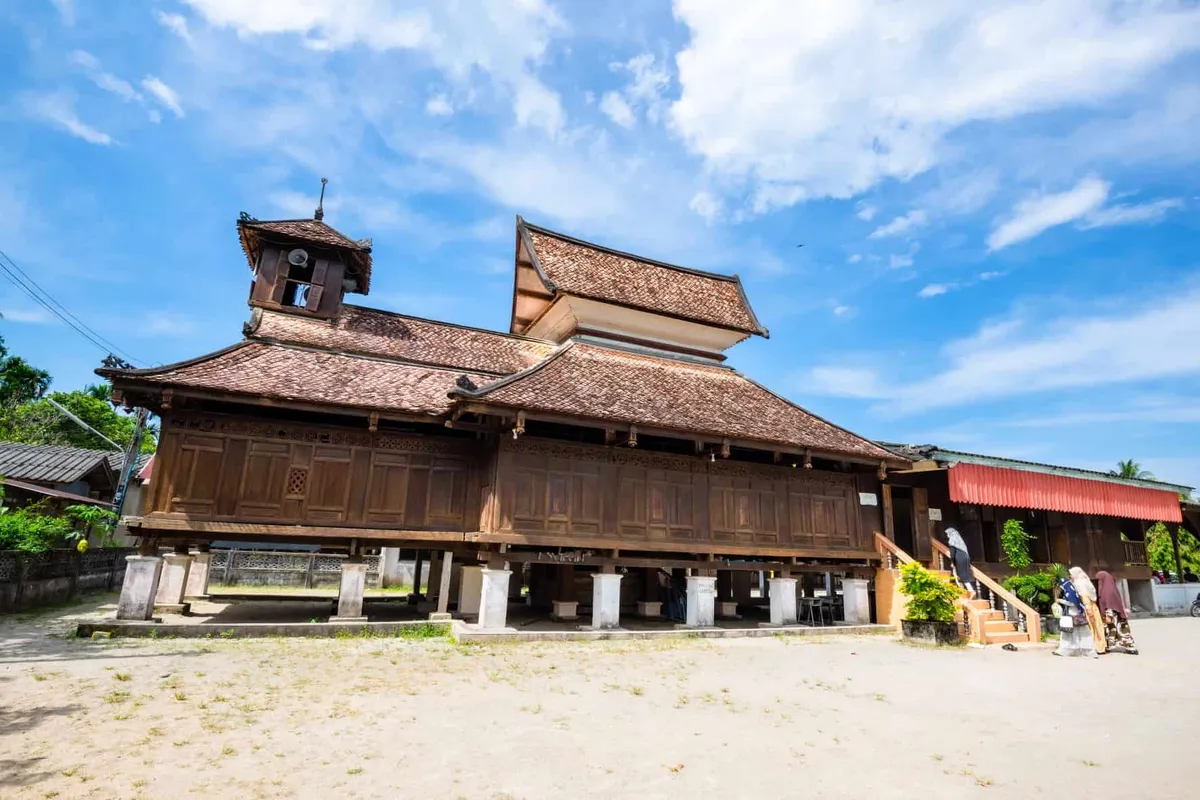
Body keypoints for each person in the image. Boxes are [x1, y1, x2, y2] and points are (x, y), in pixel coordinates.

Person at [1095, 570, 1138, 654]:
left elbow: (1109, 603)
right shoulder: (1112, 588)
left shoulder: (1107, 590)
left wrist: (1108, 615)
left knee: (1115, 630)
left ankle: (1128, 647)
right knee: (1121, 631)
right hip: (1118, 615)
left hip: (1112, 615)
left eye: (1099, 579)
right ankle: (1127, 647)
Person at [1053, 576, 1097, 658]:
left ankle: (1079, 650)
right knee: (1078, 634)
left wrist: (1061, 601)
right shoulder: (1071, 590)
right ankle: (1074, 650)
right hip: (1076, 615)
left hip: (1072, 615)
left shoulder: (1069, 592)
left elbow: (1072, 603)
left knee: (1068, 633)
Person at [1069, 566, 1107, 655]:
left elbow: (1084, 596)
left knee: (1091, 627)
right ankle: (1101, 646)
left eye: (1071, 574)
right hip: (1092, 606)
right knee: (1097, 626)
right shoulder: (1085, 581)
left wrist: (1088, 609)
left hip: (1088, 607)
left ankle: (1096, 647)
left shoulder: (1080, 583)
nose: (1071, 576)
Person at [944, 526, 976, 599]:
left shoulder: (952, 541)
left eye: (948, 534)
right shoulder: (960, 542)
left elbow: (953, 553)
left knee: (961, 575)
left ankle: (969, 591)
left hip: (959, 559)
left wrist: (952, 562)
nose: (947, 535)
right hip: (965, 558)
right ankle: (964, 590)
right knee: (964, 574)